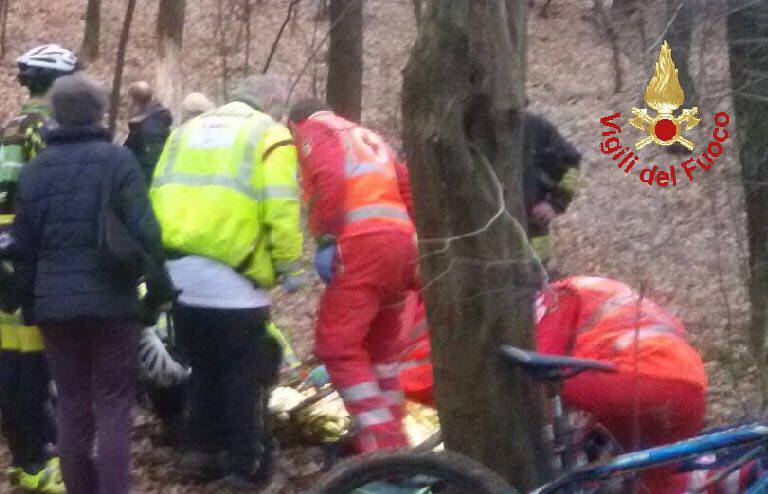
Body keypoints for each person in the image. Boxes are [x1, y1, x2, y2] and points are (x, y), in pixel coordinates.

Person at [12, 73, 173, 494]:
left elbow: (23, 248)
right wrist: (157, 297)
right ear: (100, 113)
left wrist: (32, 303)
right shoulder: (118, 162)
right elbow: (147, 233)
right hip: (113, 304)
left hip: (54, 307)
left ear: (56, 114)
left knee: (71, 404)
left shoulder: (35, 171)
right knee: (115, 404)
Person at [150, 75, 304, 488]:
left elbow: (157, 195)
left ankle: (197, 451)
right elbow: (281, 207)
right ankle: (243, 466)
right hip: (235, 281)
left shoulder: (184, 133)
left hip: (179, 274)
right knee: (243, 374)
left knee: (200, 368)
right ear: (271, 104)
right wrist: (291, 267)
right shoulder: (269, 135)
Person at [287, 99, 417, 453]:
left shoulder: (313, 132)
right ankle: (397, 441)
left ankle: (381, 446)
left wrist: (328, 237)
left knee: (338, 346)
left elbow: (329, 177)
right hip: (400, 245)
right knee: (380, 352)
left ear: (293, 124)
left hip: (360, 245)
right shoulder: (367, 136)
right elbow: (405, 186)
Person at [0, 43, 78, 493]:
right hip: (30, 266)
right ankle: (37, 463)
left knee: (13, 366)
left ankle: (25, 460)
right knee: (31, 369)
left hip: (7, 265)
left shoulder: (11, 127)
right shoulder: (45, 130)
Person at [522, 112, 581, 265]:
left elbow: (571, 164)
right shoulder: (475, 129)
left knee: (538, 279)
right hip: (484, 230)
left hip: (534, 227)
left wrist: (555, 203)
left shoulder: (536, 127)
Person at [123, 81, 172, 183]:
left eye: (127, 99)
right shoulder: (155, 120)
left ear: (132, 100)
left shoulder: (148, 128)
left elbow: (150, 163)